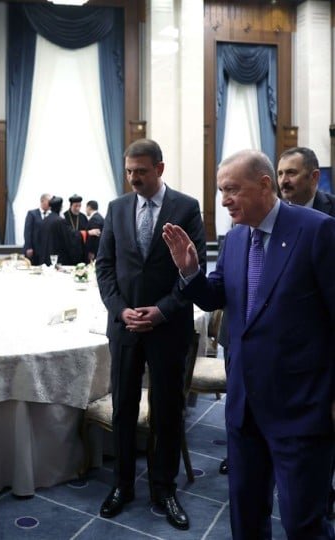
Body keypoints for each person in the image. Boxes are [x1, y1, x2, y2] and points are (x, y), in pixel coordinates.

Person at [163, 149, 335, 539]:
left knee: (303, 523)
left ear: (264, 185)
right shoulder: (236, 238)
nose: (224, 200)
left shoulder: (317, 230)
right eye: (221, 191)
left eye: (232, 190)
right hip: (243, 407)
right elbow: (216, 296)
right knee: (245, 517)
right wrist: (189, 272)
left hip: (301, 408)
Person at [96, 138, 206, 531]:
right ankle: (122, 485)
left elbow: (194, 270)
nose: (133, 178)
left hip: (168, 327)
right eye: (129, 171)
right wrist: (119, 309)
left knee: (168, 409)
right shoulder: (116, 208)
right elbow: (104, 267)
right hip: (125, 327)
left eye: (141, 171)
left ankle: (164, 488)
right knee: (124, 407)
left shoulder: (186, 208)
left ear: (159, 168)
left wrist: (161, 311)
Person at [277, 146, 335, 520]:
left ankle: (321, 497)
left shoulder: (331, 215)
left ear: (314, 177)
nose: (284, 181)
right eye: (281, 173)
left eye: (292, 173)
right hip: (283, 344)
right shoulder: (273, 214)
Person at [37, 196, 78, 266]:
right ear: (60, 207)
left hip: (44, 257)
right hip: (56, 259)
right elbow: (69, 237)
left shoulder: (44, 220)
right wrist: (84, 233)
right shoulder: (60, 221)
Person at [23, 193, 51, 265]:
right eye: (48, 201)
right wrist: (29, 247)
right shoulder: (32, 214)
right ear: (42, 201)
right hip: (34, 249)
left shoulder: (51, 215)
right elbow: (27, 231)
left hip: (45, 250)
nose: (50, 204)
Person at [62, 194, 88, 264]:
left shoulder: (83, 217)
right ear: (70, 205)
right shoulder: (64, 217)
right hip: (67, 251)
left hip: (80, 251)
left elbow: (86, 233)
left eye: (79, 206)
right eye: (76, 206)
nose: (78, 208)